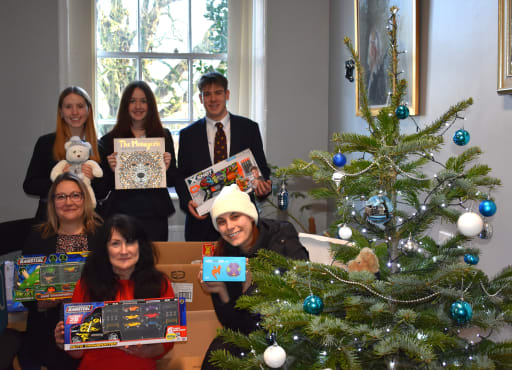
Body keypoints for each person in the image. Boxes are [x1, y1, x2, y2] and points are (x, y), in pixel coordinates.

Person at [198, 184, 309, 369]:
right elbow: (234, 328)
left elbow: (302, 284)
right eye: (221, 221)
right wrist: (221, 292)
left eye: (235, 216)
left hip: (289, 330)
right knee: (217, 353)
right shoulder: (225, 258)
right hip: (251, 333)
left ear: (250, 216)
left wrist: (253, 286)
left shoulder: (281, 235)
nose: (229, 227)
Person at [54, 214, 175, 370]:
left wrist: (146, 351)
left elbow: (167, 344)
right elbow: (77, 353)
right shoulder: (87, 284)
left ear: (140, 246)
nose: (124, 251)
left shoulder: (160, 283)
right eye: (115, 244)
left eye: (130, 242)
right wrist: (64, 341)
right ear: (105, 249)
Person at [19, 172, 103, 370]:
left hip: (95, 324)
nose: (69, 202)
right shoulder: (38, 236)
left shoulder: (102, 234)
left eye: (75, 195)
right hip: (49, 326)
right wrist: (41, 303)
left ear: (85, 199)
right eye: (61, 196)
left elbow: (114, 282)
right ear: (53, 202)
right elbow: (25, 293)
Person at [178, 71, 272, 242]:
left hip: (242, 221)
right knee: (202, 269)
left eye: (218, 93)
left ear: (227, 94)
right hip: (202, 224)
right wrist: (187, 202)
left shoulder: (249, 128)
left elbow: (261, 169)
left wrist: (263, 186)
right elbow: (181, 177)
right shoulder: (187, 135)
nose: (213, 99)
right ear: (201, 98)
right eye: (207, 94)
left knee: (244, 269)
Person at [98, 81, 185, 241]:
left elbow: (173, 179)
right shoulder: (109, 140)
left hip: (155, 214)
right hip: (122, 213)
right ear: (125, 105)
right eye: (132, 101)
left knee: (153, 260)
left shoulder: (163, 136)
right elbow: (103, 187)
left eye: (143, 101)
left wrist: (166, 168)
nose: (138, 106)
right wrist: (111, 169)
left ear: (150, 105)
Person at [24, 86, 101, 221]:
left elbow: (103, 192)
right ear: (61, 112)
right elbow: (30, 185)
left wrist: (93, 179)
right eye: (68, 107)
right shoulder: (45, 143)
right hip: (52, 222)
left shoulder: (99, 146)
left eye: (80, 106)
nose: (75, 112)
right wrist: (59, 181)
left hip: (88, 222)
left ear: (89, 111)